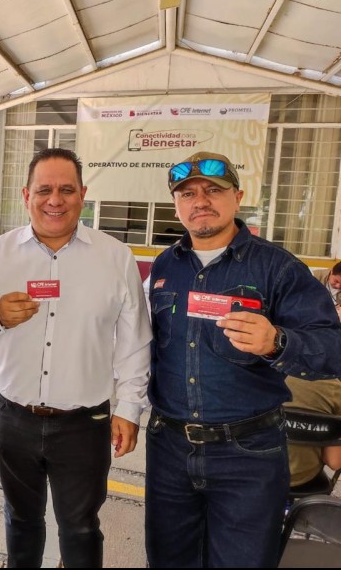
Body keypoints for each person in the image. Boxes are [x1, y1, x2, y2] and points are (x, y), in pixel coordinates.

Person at [0, 147, 151, 568]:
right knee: (21, 520)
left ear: (83, 195)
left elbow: (135, 341)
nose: (55, 200)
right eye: (44, 190)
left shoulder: (115, 257)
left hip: (84, 424)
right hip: (11, 418)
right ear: (27, 195)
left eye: (66, 190)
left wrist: (130, 408)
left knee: (80, 527)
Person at [145, 151, 341, 568]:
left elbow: (332, 348)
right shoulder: (165, 267)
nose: (200, 201)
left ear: (237, 197)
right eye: (187, 194)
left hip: (248, 455)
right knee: (168, 560)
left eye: (213, 190)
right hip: (169, 449)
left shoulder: (277, 268)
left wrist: (277, 342)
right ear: (176, 206)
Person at [284, 377, 341, 488]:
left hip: (255, 472)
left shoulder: (261, 376)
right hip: (303, 477)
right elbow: (334, 462)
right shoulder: (335, 390)